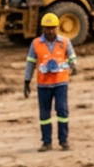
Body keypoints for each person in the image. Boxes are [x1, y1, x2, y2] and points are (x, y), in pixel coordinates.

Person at [24, 12, 77, 152]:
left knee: (62, 110)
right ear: (43, 28)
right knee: (44, 114)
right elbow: (30, 63)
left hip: (61, 82)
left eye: (53, 28)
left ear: (57, 27)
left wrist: (73, 65)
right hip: (44, 84)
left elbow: (71, 56)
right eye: (48, 28)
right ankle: (46, 142)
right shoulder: (36, 44)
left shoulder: (64, 42)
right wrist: (27, 81)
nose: (51, 31)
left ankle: (63, 140)